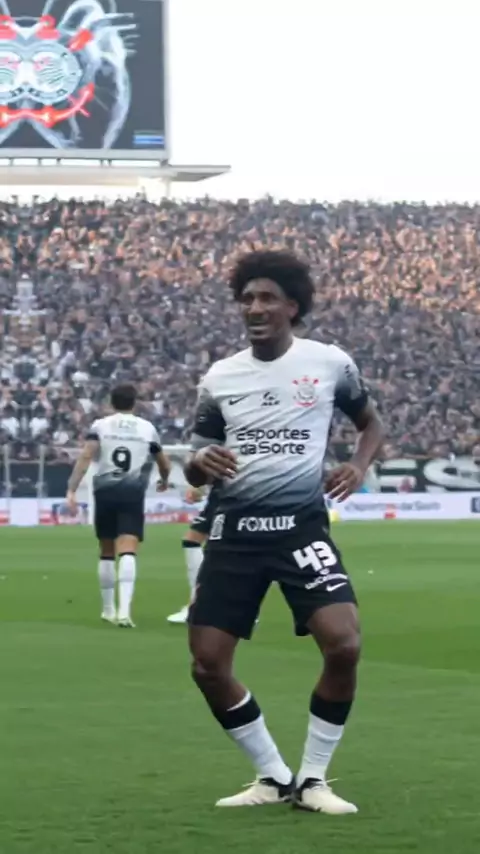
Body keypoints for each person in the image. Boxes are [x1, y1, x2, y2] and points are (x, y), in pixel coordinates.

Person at [184, 250, 384, 813]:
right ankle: (273, 776)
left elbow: (371, 423)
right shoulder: (220, 377)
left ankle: (314, 779)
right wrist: (201, 463)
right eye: (247, 298)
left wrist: (358, 465)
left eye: (267, 298)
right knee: (207, 665)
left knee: (344, 644)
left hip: (300, 530)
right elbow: (196, 463)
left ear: (293, 306)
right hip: (233, 534)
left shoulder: (329, 363)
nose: (255, 308)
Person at [66, 383, 171, 627]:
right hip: (132, 492)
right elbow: (164, 462)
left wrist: (72, 489)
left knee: (106, 549)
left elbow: (86, 456)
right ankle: (124, 612)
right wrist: (164, 480)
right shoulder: (147, 428)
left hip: (105, 491)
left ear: (111, 402)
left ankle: (108, 610)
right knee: (128, 547)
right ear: (135, 403)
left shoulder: (100, 425)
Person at [166, 485, 217, 624]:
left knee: (193, 540)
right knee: (223, 545)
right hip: (237, 495)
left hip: (227, 496)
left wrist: (199, 487)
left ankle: (197, 606)